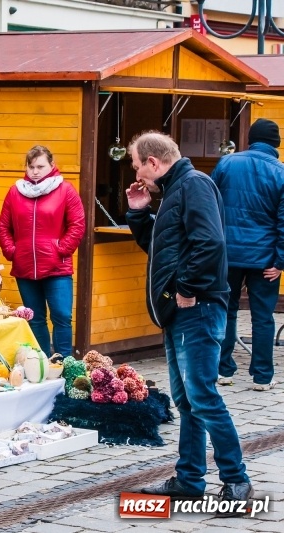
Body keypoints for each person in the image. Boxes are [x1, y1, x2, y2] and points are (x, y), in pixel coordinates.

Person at [125, 131, 252, 516]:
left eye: (136, 166)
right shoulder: (173, 191)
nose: (136, 174)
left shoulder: (193, 185)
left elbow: (210, 242)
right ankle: (189, 480)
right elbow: (163, 249)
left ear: (152, 161)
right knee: (187, 400)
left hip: (196, 309)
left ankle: (236, 480)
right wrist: (137, 212)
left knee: (202, 396)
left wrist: (187, 287)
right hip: (179, 312)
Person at [211, 118, 284, 391]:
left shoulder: (227, 163)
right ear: (276, 144)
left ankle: (223, 370)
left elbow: (210, 204)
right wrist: (280, 261)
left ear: (251, 139)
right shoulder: (280, 172)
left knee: (225, 311)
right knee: (262, 317)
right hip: (265, 259)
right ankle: (262, 377)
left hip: (227, 255)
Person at [0, 145, 85, 357]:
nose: (35, 171)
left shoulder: (65, 190)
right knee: (35, 318)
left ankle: (64, 364)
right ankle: (42, 362)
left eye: (40, 166)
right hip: (25, 267)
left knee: (62, 316)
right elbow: (3, 226)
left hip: (57, 268)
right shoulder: (15, 192)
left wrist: (61, 250)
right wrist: (13, 251)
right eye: (31, 166)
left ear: (52, 166)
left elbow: (77, 224)